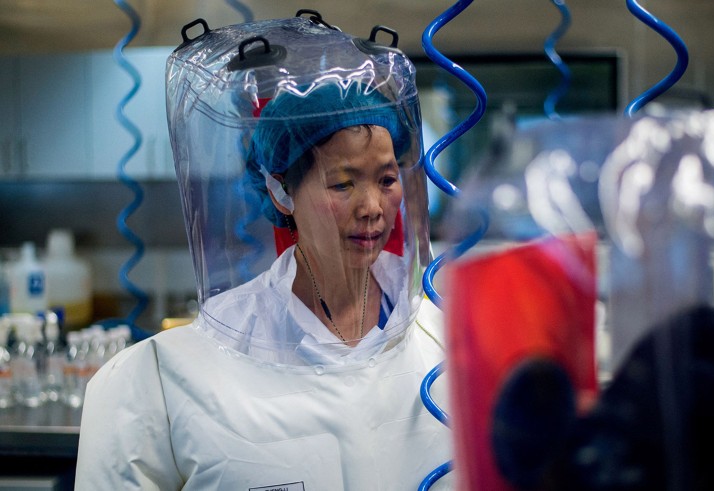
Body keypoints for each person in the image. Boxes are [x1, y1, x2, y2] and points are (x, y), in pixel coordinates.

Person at [75, 14, 452, 490]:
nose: (373, 208)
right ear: (281, 192)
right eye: (342, 184)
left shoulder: (446, 336)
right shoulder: (172, 376)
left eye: (387, 179)